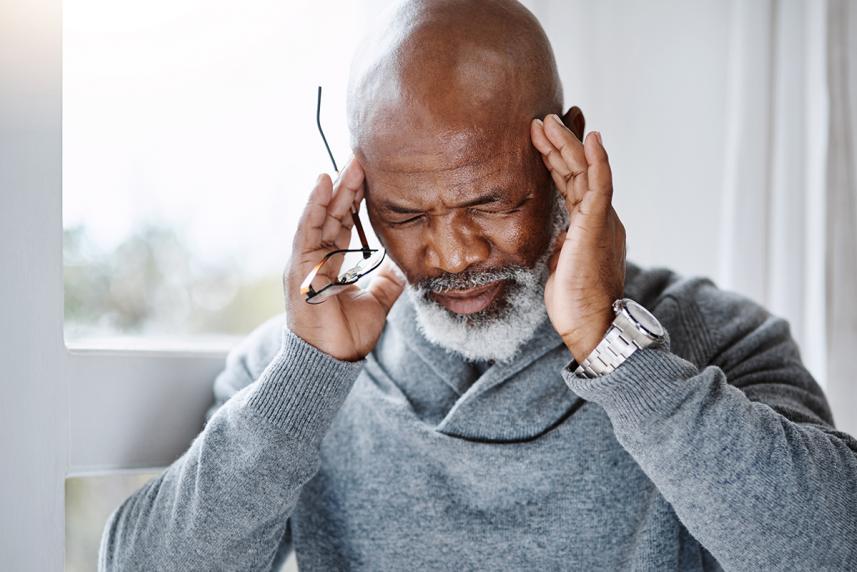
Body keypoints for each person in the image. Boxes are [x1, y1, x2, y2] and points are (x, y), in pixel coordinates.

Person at [98, 1, 857, 570]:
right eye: (404, 213)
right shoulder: (293, 369)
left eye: (489, 203)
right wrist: (309, 374)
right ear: (360, 195)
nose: (453, 253)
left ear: (562, 153)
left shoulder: (713, 334)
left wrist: (614, 350)